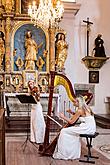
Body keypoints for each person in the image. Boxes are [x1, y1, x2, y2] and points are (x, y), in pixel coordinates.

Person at [53, 95, 96, 160]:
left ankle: (65, 153)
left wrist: (62, 116)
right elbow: (81, 116)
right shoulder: (86, 107)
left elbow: (71, 122)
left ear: (79, 102)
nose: (73, 103)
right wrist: (72, 112)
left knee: (63, 131)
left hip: (87, 128)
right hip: (91, 128)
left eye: (74, 102)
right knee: (71, 132)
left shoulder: (80, 110)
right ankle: (72, 152)